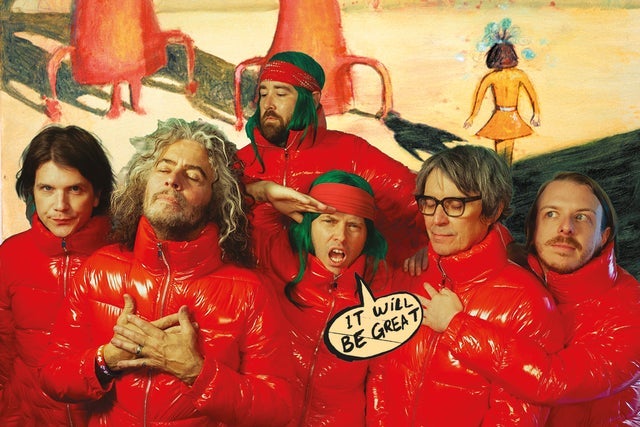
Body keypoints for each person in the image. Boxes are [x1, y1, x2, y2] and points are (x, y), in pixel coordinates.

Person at [39, 118, 293, 426]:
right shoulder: (99, 269)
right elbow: (52, 377)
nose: (173, 180)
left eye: (193, 175)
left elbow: (279, 409)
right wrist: (108, 359)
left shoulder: (250, 292)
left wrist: (196, 372)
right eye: (164, 168)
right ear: (144, 181)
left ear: (215, 199)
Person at [421, 172, 640, 426]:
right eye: (551, 214)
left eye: (582, 217)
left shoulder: (630, 312)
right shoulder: (519, 269)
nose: (566, 227)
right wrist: (428, 250)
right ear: (533, 228)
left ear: (603, 235)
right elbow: (476, 228)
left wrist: (456, 326)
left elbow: (553, 381)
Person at [367, 145, 564, 426]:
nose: (437, 220)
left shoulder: (529, 304)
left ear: (493, 210)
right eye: (429, 202)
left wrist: (457, 326)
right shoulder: (410, 275)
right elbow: (379, 370)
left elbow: (514, 419)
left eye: (455, 205)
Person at [238, 50, 425, 267]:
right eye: (263, 94)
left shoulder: (351, 154)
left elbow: (420, 202)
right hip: (255, 283)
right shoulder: (240, 161)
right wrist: (257, 191)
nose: (268, 104)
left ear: (312, 99)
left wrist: (430, 248)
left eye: (281, 94)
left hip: (336, 284)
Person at [253, 170, 390, 427]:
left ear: (367, 235)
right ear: (309, 224)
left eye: (354, 225)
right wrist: (263, 191)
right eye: (329, 221)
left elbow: (381, 379)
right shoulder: (273, 255)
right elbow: (213, 207)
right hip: (271, 417)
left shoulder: (381, 286)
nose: (341, 236)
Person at [0, 125, 114, 426]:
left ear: (97, 194)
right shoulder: (10, 255)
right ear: (32, 191)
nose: (60, 206)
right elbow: (3, 352)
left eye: (74, 189)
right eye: (47, 189)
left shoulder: (125, 256)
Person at [463, 19, 540, 166]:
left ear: (493, 56)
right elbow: (532, 95)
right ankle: (504, 174)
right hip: (508, 116)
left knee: (502, 152)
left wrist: (472, 117)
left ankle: (503, 174)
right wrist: (536, 113)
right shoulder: (519, 75)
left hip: (503, 116)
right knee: (505, 152)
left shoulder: (492, 77)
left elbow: (479, 98)